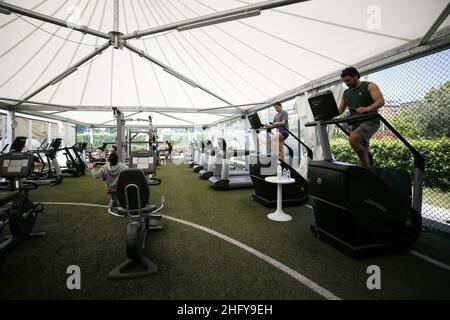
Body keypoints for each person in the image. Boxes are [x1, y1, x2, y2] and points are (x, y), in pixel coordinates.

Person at [339, 67, 385, 168]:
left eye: (348, 80)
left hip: (370, 121)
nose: (346, 83)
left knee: (353, 139)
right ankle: (367, 169)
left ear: (355, 76)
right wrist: (327, 114)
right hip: (355, 124)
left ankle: (366, 164)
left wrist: (367, 108)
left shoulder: (369, 86)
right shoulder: (346, 93)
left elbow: (380, 101)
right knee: (363, 149)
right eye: (344, 81)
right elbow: (340, 110)